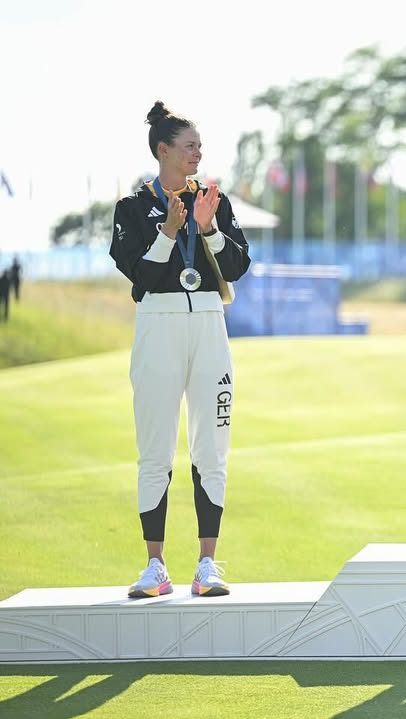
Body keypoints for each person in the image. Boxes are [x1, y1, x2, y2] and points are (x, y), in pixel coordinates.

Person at [109, 101, 251, 598]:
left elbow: (236, 268)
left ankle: (207, 565)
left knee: (212, 446)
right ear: (163, 150)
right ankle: (155, 567)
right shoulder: (130, 209)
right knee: (154, 450)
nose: (197, 153)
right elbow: (142, 279)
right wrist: (169, 231)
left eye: (200, 146)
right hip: (157, 326)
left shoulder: (214, 200)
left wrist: (208, 228)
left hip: (210, 323)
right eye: (188, 146)